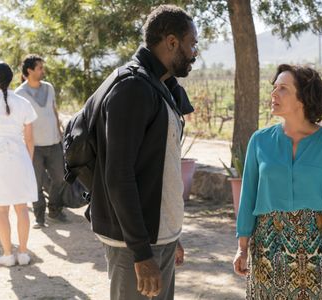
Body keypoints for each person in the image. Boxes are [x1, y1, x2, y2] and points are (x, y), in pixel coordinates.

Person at [85, 5, 197, 300]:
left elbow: (158, 168)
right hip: (135, 244)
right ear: (172, 42)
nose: (195, 53)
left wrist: (171, 234)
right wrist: (141, 253)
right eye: (191, 44)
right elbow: (118, 176)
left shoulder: (157, 84)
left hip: (157, 237)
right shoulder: (133, 87)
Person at [233, 64, 322, 299]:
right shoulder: (259, 141)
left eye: (283, 89)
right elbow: (248, 196)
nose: (274, 94)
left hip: (317, 253)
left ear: (303, 98)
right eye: (274, 87)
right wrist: (242, 247)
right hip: (267, 252)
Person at [15, 54, 67, 228]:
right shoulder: (19, 94)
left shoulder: (49, 87)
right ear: (29, 71)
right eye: (40, 68)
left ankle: (54, 210)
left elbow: (54, 110)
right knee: (36, 183)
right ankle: (39, 218)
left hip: (54, 144)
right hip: (33, 146)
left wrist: (60, 134)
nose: (43, 71)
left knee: (59, 179)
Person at [0, 62, 38, 266]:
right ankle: (23, 253)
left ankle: (7, 254)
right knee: (22, 208)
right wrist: (28, 161)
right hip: (19, 157)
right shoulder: (23, 102)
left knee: (1, 210)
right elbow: (30, 138)